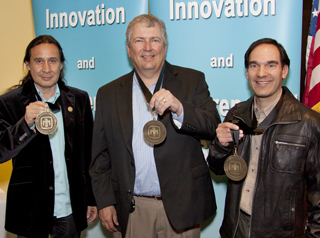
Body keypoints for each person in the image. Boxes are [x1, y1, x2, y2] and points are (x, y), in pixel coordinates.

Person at [89, 14, 220, 238]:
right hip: (132, 209)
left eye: (155, 40)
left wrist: (180, 108)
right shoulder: (108, 94)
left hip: (183, 208)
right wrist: (105, 201)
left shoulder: (192, 80)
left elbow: (213, 127)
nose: (148, 47)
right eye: (139, 40)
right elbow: (100, 156)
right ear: (129, 49)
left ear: (165, 47)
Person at [208, 38, 320, 237]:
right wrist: (220, 146)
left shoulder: (309, 123)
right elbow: (217, 169)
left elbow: (318, 197)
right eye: (254, 65)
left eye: (271, 65)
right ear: (247, 72)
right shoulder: (236, 115)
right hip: (236, 228)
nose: (261, 73)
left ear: (284, 71)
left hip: (280, 233)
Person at [0, 35, 97, 237]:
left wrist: (91, 198)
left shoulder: (79, 99)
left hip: (70, 210)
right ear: (27, 65)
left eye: (52, 61)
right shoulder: (9, 103)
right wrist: (24, 124)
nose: (46, 68)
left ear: (61, 65)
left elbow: (88, 154)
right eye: (39, 61)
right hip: (30, 212)